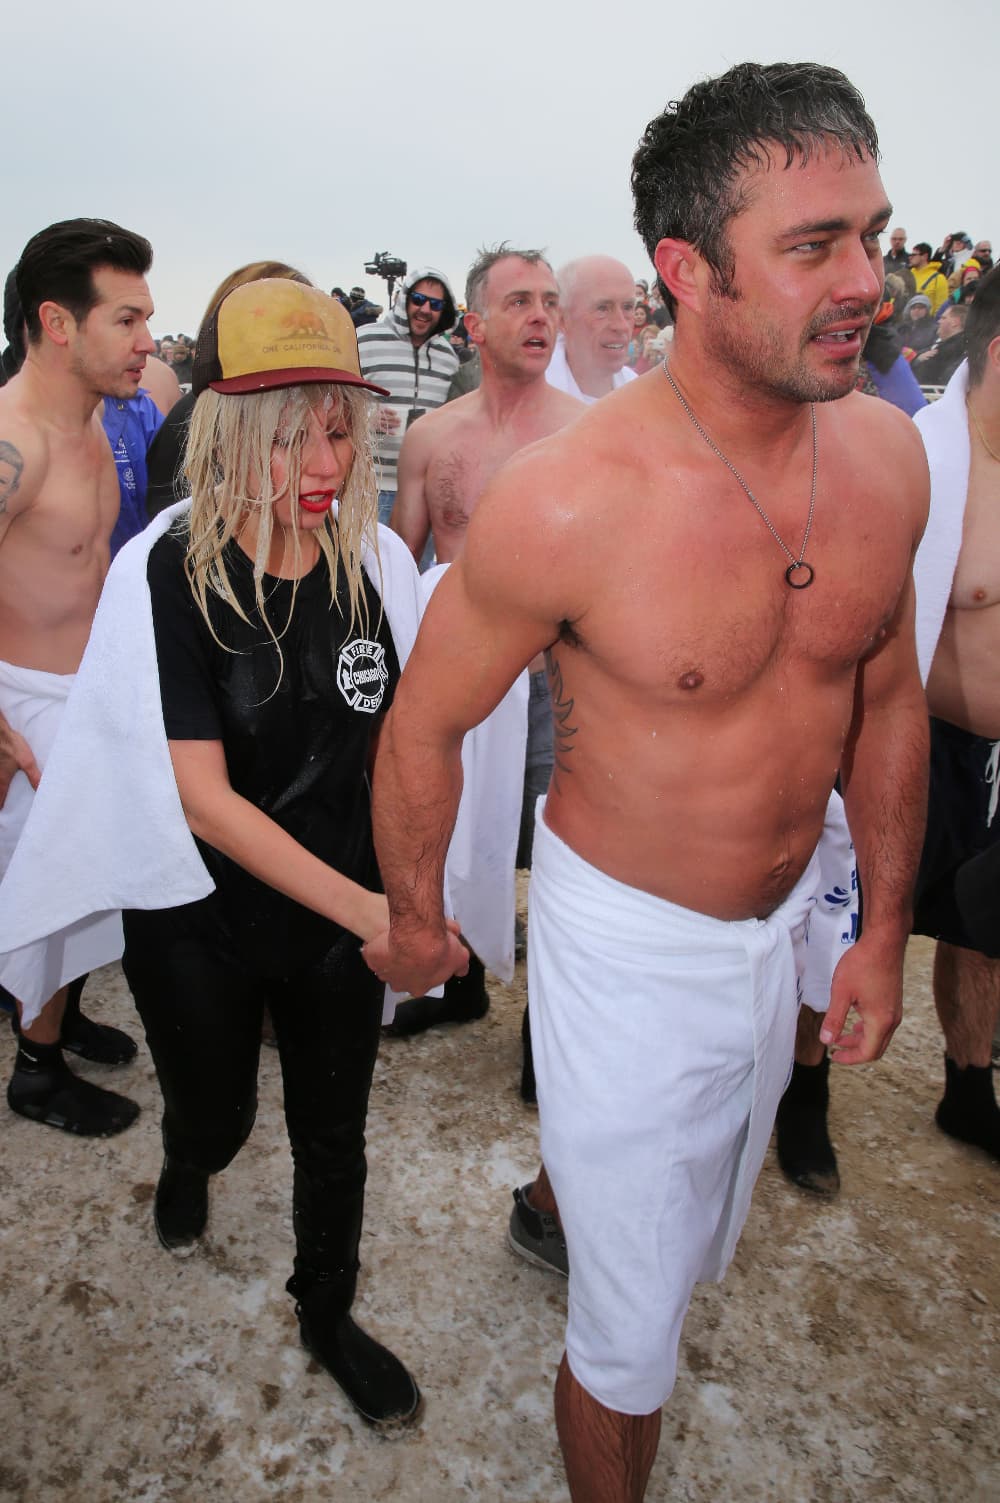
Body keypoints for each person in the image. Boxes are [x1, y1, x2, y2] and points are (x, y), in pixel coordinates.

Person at [365, 61, 929, 1503]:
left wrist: (874, 932)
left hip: (782, 929)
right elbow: (424, 725)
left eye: (872, 233)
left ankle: (561, 1197)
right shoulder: (569, 500)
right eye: (814, 246)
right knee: (630, 1339)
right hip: (625, 947)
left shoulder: (884, 459)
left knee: (691, 1240)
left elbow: (886, 700)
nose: (865, 280)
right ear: (688, 270)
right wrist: (419, 922)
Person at [0, 278, 428, 1426]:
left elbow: (408, 746)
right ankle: (190, 1157)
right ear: (233, 434)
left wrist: (406, 894)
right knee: (219, 1113)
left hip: (337, 922)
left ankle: (326, 1310)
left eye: (339, 430)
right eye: (291, 437)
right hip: (200, 918)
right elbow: (201, 798)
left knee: (334, 1135)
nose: (325, 463)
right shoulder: (171, 570)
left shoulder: (375, 565)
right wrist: (375, 913)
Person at [386, 244, 582, 1037]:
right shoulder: (431, 437)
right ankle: (456, 979)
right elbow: (399, 562)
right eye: (519, 302)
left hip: (555, 679)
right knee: (448, 829)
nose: (540, 317)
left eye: (549, 302)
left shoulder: (587, 435)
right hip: (454, 675)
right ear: (475, 325)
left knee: (564, 846)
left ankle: (549, 1031)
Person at [0, 217, 155, 1137]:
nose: (147, 342)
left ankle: (60, 1015)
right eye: (126, 320)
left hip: (86, 692)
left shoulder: (95, 420)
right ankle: (36, 1067)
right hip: (26, 704)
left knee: (85, 880)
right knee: (48, 890)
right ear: (58, 323)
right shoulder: (14, 442)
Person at [912, 266, 1000, 1159]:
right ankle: (802, 1084)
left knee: (987, 932)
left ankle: (969, 1087)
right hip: (924, 739)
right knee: (851, 911)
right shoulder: (923, 462)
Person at [356, 266, 458, 525]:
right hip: (371, 487)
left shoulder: (448, 357)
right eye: (419, 299)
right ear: (404, 299)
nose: (425, 309)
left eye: (435, 304)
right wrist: (366, 416)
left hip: (425, 492)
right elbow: (332, 401)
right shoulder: (365, 340)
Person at [545, 256, 638, 402]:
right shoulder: (528, 398)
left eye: (627, 307)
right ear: (562, 319)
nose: (621, 326)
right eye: (602, 309)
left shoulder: (640, 392)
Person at [912, 301, 969, 387]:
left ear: (955, 322)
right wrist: (917, 359)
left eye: (943, 318)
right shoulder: (941, 345)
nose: (939, 321)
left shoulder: (960, 349)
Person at [909, 243, 951, 314]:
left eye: (914, 255)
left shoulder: (938, 278)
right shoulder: (908, 275)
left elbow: (941, 308)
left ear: (925, 256)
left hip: (928, 320)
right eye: (910, 255)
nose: (910, 258)